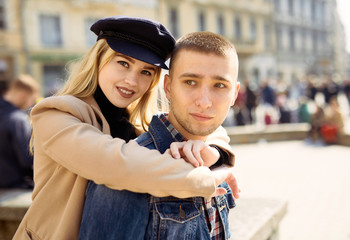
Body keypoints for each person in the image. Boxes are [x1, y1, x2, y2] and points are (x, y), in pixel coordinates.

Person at [13, 16, 239, 240]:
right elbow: (118, 163)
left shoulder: (136, 122)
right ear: (99, 59)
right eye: (123, 63)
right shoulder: (56, 114)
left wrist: (214, 152)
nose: (132, 80)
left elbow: (201, 124)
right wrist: (213, 177)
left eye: (146, 71)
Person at [79, 31, 240, 240]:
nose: (204, 102)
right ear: (168, 87)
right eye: (190, 82)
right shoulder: (126, 176)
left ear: (234, 94)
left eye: (219, 85)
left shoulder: (213, 156)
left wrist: (219, 156)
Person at [0, 74, 39, 189]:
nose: (30, 104)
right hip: (14, 186)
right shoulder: (18, 120)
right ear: (22, 95)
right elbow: (27, 159)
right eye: (31, 99)